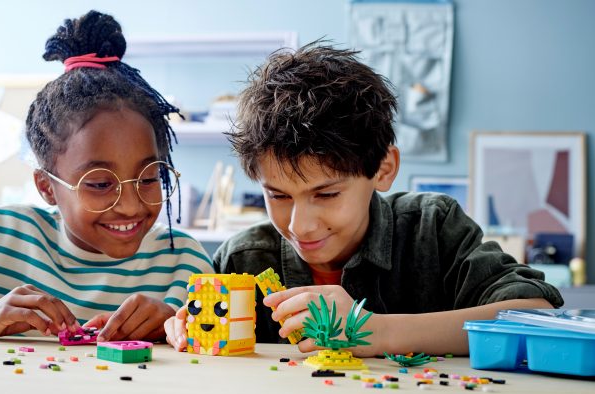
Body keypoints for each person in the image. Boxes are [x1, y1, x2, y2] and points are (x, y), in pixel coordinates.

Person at [165, 43, 562, 356]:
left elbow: (535, 315)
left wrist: (374, 330)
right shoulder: (244, 261)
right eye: (278, 195)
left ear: (384, 169)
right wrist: (180, 327)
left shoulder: (433, 229)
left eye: (327, 194)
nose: (299, 226)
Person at [0, 11, 213, 342]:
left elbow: (224, 347)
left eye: (149, 178)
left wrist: (179, 327)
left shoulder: (184, 265)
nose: (131, 206)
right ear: (46, 186)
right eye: (101, 184)